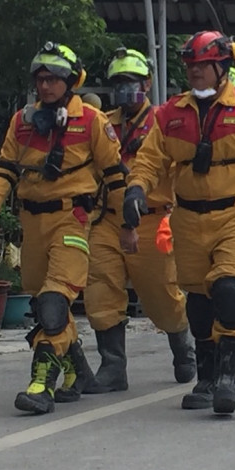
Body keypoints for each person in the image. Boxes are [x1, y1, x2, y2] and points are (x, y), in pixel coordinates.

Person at [121, 31, 235, 416]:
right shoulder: (170, 114)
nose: (195, 72)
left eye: (202, 66)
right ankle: (205, 378)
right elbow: (150, 160)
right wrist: (136, 189)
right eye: (190, 66)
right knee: (199, 304)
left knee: (230, 291)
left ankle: (226, 378)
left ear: (222, 67)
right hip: (187, 218)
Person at [0, 42, 124, 415]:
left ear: (71, 81)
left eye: (53, 79)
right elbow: (6, 169)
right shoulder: (22, 122)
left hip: (72, 219)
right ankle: (78, 372)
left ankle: (40, 384)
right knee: (40, 299)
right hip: (32, 221)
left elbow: (115, 176)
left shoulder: (94, 121)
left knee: (54, 300)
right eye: (40, 79)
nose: (45, 86)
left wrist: (127, 223)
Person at [83, 48, 195, 393]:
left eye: (131, 81)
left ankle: (183, 347)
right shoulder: (105, 124)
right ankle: (113, 366)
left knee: (161, 293)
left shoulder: (163, 122)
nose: (124, 89)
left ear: (147, 83)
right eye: (118, 82)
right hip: (107, 219)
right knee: (100, 287)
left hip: (152, 219)